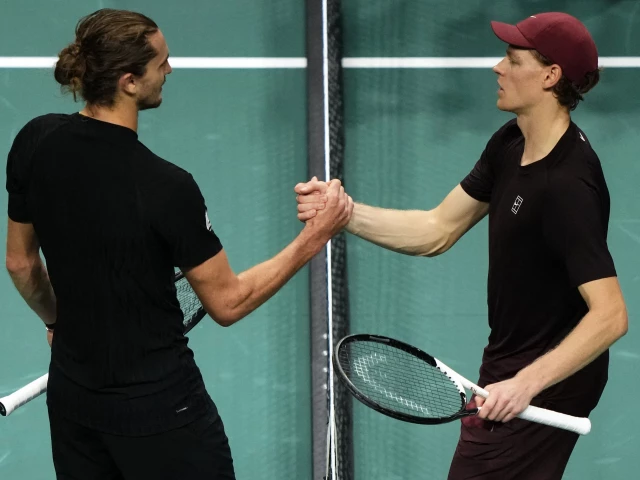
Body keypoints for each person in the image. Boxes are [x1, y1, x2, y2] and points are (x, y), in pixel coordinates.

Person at [5, 8, 352, 480]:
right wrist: (314, 238)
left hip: (74, 403)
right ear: (129, 81)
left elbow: (21, 264)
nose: (170, 69)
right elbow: (228, 302)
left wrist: (57, 322)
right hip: (162, 414)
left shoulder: (35, 141)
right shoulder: (166, 187)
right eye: (161, 63)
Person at [295, 12, 628, 479]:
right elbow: (436, 230)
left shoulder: (566, 187)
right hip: (512, 356)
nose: (498, 68)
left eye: (513, 60)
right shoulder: (511, 142)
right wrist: (344, 213)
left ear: (551, 76)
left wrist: (525, 384)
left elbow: (610, 315)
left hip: (546, 376)